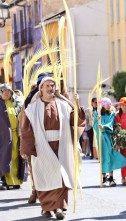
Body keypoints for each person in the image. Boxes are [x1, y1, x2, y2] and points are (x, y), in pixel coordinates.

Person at [20, 76, 86, 219]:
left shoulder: (63, 104)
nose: (51, 88)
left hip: (61, 144)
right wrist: (26, 149)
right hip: (41, 146)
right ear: (41, 88)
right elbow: (26, 129)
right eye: (48, 86)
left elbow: (76, 120)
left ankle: (59, 208)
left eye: (53, 86)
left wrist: (76, 103)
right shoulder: (32, 108)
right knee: (44, 177)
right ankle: (46, 208)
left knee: (62, 176)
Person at [22, 73, 49, 204]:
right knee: (34, 165)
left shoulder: (54, 96)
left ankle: (50, 194)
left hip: (51, 136)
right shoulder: (30, 98)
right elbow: (25, 118)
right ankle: (35, 190)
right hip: (35, 135)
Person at [93, 97, 126, 187]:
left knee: (111, 156)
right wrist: (98, 121)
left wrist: (104, 126)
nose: (108, 106)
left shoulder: (112, 114)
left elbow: (111, 124)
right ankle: (104, 178)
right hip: (101, 138)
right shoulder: (97, 113)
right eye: (106, 104)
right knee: (103, 157)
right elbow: (95, 126)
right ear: (103, 105)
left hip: (109, 137)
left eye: (109, 104)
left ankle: (111, 178)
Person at [0, 84, 25, 190]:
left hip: (16, 135)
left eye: (8, 91)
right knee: (5, 157)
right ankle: (4, 180)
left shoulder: (16, 103)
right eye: (4, 91)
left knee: (15, 157)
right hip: (2, 136)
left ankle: (15, 181)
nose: (6, 93)